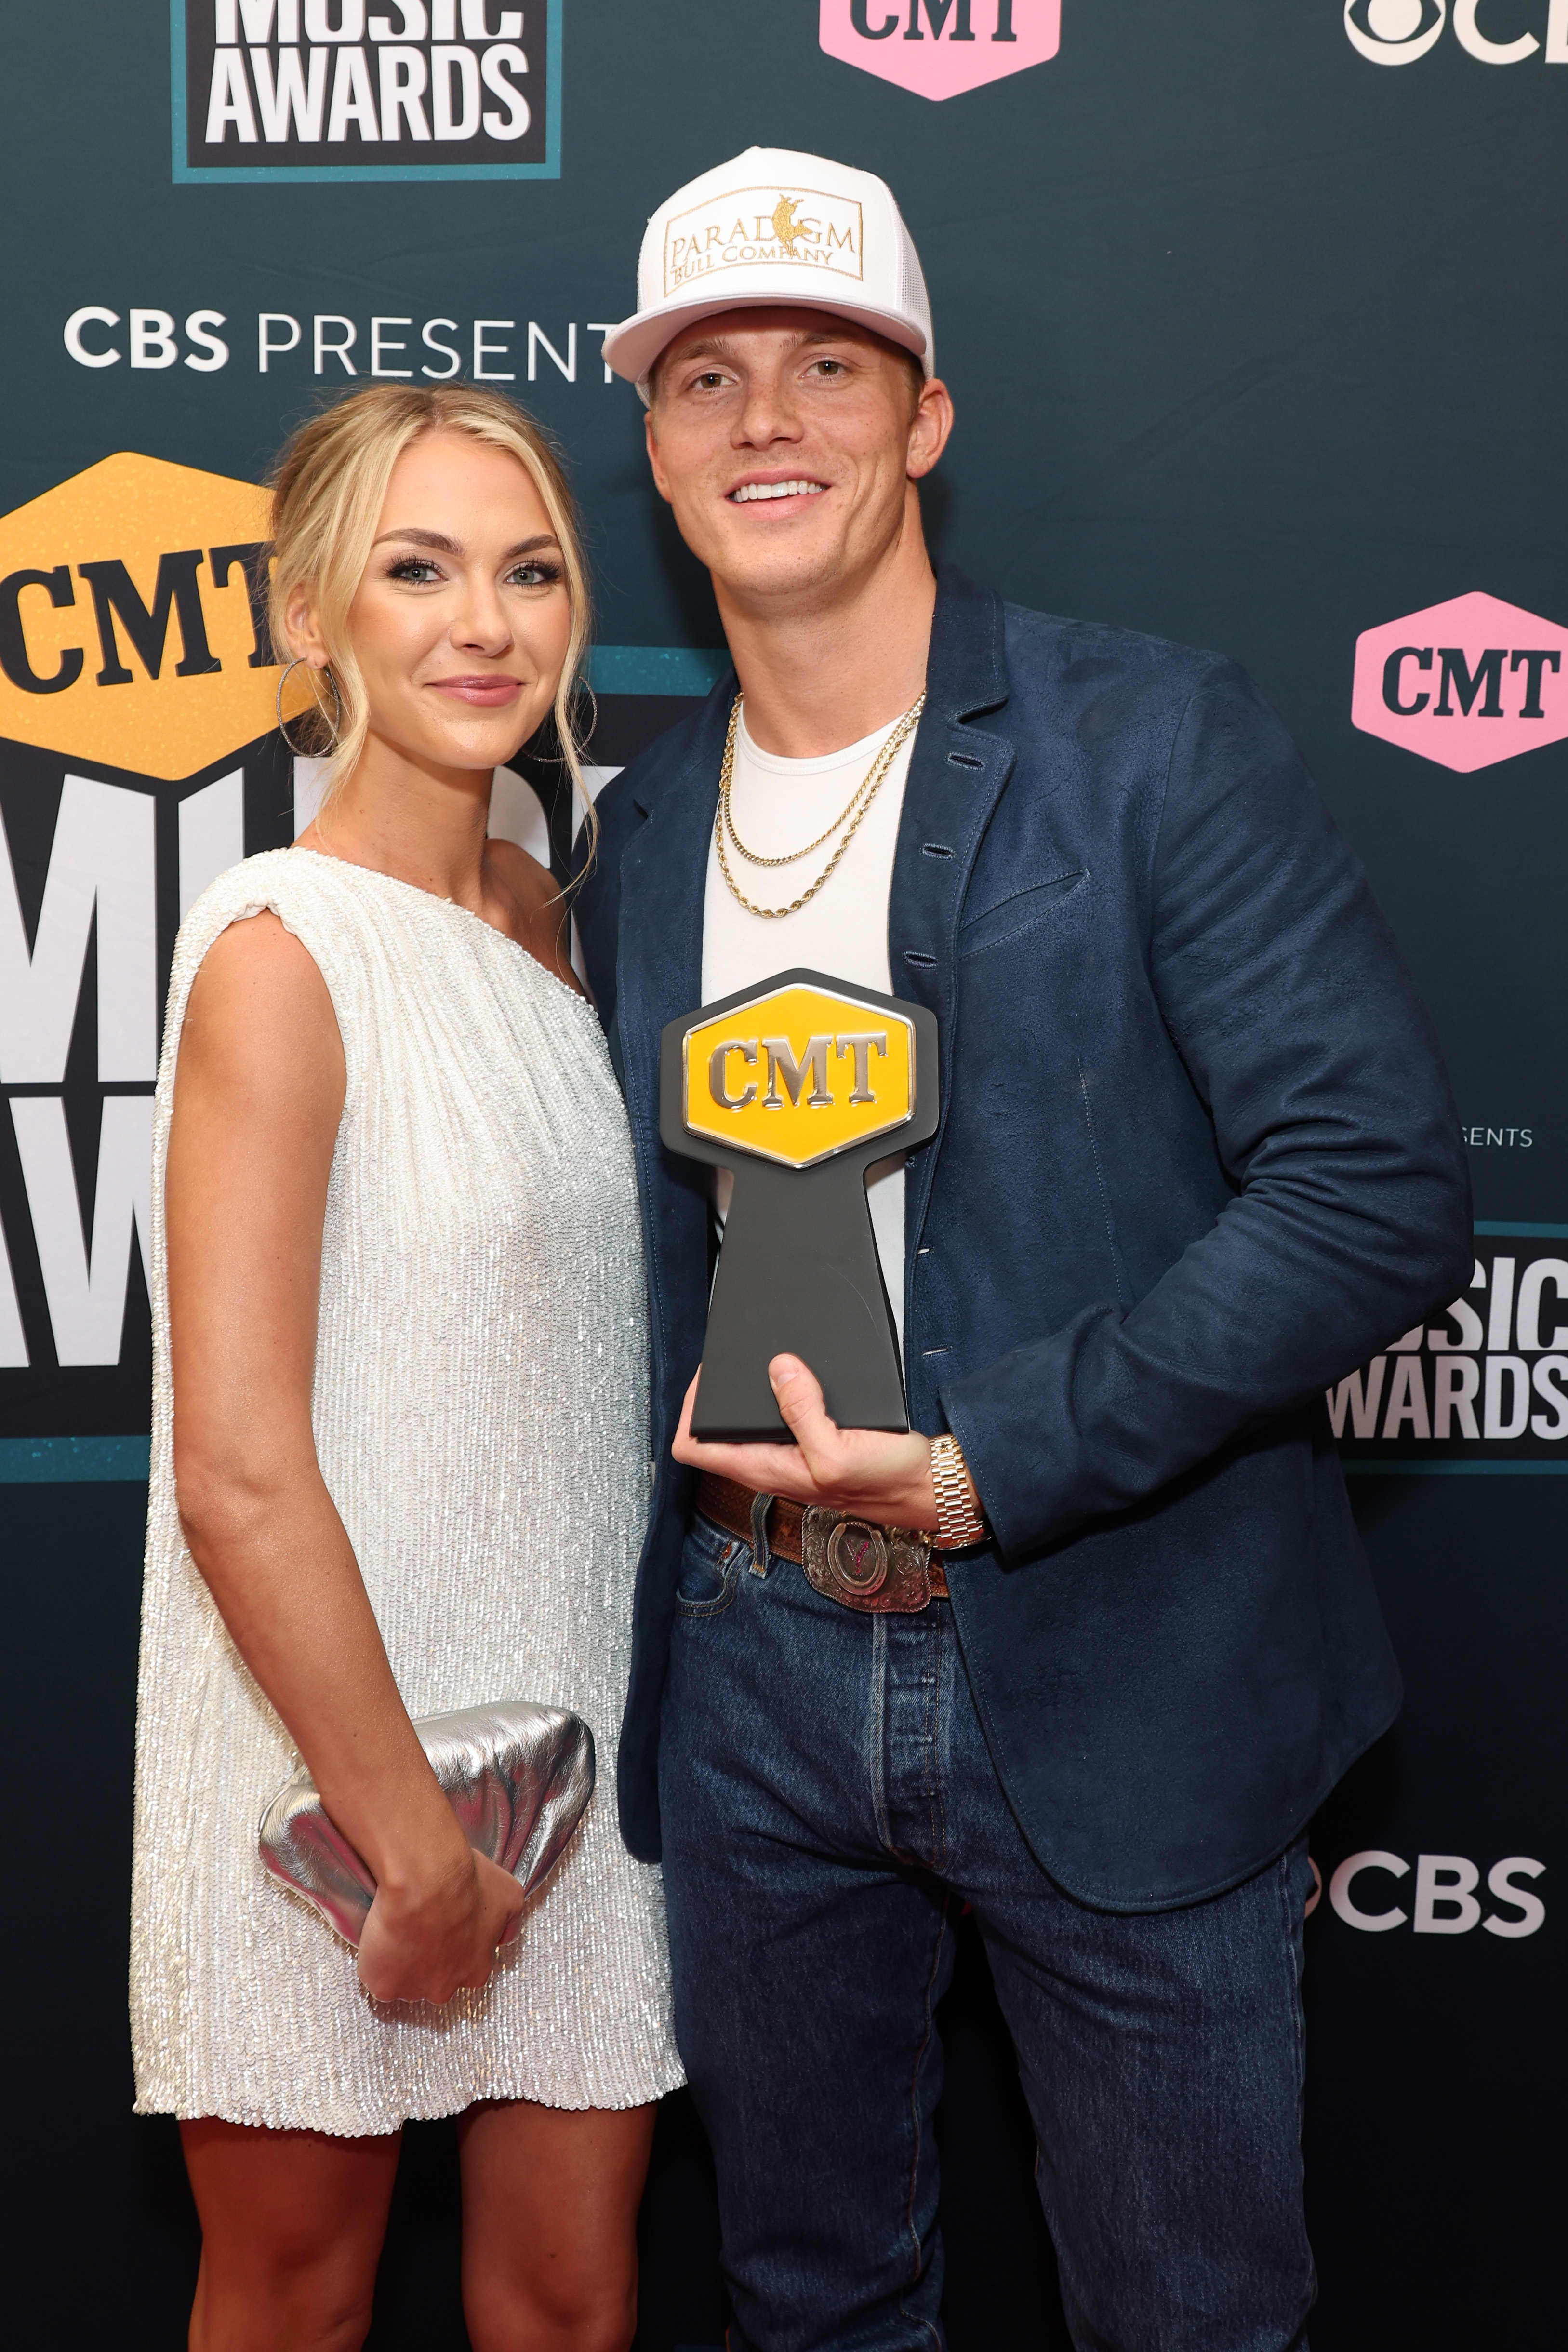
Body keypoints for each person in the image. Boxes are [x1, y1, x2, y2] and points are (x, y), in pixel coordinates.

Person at [574, 148, 1473, 2351]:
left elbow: (1373, 1189)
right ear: (657, 441)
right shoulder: (638, 822)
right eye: (706, 377)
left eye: (824, 363)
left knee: (1186, 2313)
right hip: (751, 1663)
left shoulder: (1144, 736)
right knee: (808, 2298)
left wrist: (985, 1460)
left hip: (1110, 1649)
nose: (764, 418)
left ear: (925, 418)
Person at [130, 382, 682, 2352]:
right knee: (292, 2298)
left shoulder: (546, 922)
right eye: (418, 569)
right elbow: (238, 1472)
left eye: (530, 570)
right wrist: (410, 1849)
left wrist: (508, 1844)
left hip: (577, 1759)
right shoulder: (276, 950)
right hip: (319, 1771)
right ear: (307, 617)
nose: (487, 623)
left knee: (570, 2302)